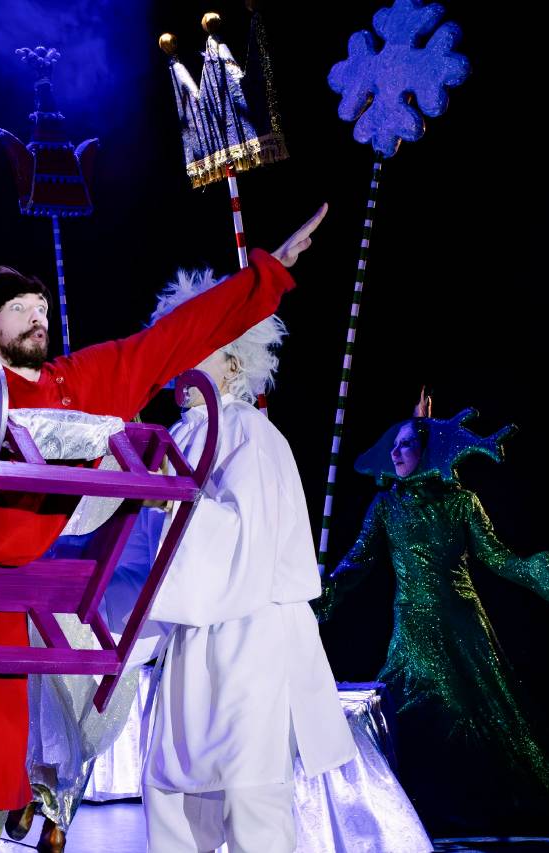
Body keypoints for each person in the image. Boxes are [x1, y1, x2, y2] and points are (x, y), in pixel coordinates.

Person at [0, 143, 327, 852]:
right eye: (20, 309)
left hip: (14, 604)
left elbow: (170, 340)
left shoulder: (78, 382)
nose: (38, 317)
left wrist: (265, 276)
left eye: (42, 308)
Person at [129, 269, 354, 853]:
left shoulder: (252, 434)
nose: (179, 358)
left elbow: (244, 543)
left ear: (233, 364)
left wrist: (169, 502)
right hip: (192, 645)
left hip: (250, 643)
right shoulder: (177, 435)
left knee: (250, 804)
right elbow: (144, 556)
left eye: (196, 344)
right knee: (175, 804)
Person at [319, 400, 549, 834]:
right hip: (411, 623)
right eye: (394, 445)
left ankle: (471, 809)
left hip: (461, 622)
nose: (395, 453)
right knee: (413, 707)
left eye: (406, 445)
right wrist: (328, 589)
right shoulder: (386, 504)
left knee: (469, 711)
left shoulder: (462, 502)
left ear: (428, 452)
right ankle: (420, 811)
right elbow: (359, 561)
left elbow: (494, 557)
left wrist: (538, 571)